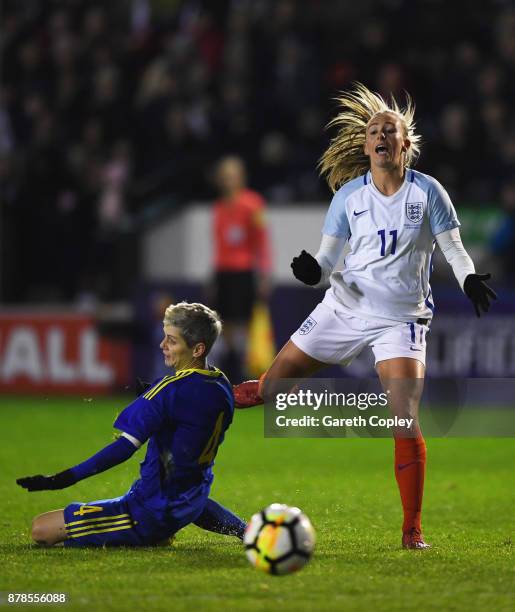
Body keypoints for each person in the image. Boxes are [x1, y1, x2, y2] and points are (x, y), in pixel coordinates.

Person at [233, 83, 497, 549]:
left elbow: (454, 250)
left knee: (403, 420)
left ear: (405, 144)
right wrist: (312, 269)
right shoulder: (349, 198)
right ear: (366, 144)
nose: (379, 135)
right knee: (271, 390)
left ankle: (412, 531)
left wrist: (469, 278)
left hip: (401, 319)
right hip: (344, 307)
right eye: (373, 130)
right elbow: (327, 260)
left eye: (388, 129)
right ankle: (193, 396)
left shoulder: (429, 192)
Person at [17, 302, 246, 547]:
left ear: (198, 349)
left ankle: (150, 535)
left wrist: (63, 479)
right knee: (184, 486)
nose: (162, 345)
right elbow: (191, 415)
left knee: (41, 529)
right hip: (191, 500)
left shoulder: (167, 391)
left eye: (172, 341)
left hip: (146, 513)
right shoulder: (221, 383)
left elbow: (124, 448)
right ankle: (246, 529)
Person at [210, 155, 272, 382]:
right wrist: (213, 278)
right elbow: (218, 246)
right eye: (224, 177)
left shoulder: (253, 204)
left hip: (244, 272)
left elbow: (262, 242)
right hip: (223, 272)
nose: (228, 181)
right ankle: (230, 368)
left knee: (244, 322)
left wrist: (264, 274)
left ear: (241, 178)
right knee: (223, 322)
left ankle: (246, 370)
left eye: (232, 176)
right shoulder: (218, 208)